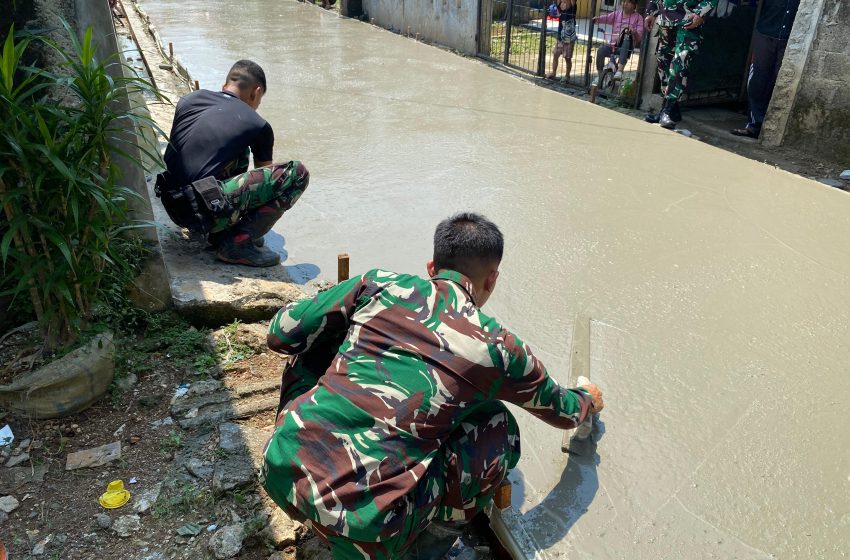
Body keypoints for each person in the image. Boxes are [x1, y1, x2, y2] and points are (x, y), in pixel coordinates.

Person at [261, 212, 605, 559]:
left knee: (310, 344)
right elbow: (564, 412)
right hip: (368, 534)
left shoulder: (379, 283)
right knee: (497, 426)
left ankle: (304, 457)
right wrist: (587, 398)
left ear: (430, 266)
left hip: (279, 472)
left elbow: (279, 333)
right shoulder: (498, 347)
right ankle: (426, 547)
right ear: (492, 280)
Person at [159, 60, 310, 267]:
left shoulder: (190, 100)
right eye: (259, 99)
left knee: (237, 152)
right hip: (205, 213)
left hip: (173, 205)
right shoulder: (258, 124)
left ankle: (221, 231)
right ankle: (236, 244)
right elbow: (265, 179)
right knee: (297, 173)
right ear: (256, 92)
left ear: (225, 85)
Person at [643, 0, 719, 129]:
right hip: (665, 20)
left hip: (688, 20)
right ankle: (671, 109)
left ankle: (667, 111)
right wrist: (651, 10)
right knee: (663, 63)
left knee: (679, 63)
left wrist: (700, 13)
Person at [730, 0, 800, 139]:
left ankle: (772, 127)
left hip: (791, 38)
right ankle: (754, 125)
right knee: (757, 79)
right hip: (765, 33)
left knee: (780, 82)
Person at [593, 0, 644, 82]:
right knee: (601, 51)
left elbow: (639, 36)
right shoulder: (617, 14)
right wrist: (598, 19)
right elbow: (607, 18)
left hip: (626, 47)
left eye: (628, 2)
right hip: (613, 44)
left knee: (627, 36)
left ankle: (620, 70)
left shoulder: (638, 18)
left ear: (634, 5)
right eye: (623, 1)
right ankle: (600, 76)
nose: (625, 4)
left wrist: (633, 31)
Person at [546, 0, 578, 80]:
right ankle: (553, 72)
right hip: (560, 38)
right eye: (562, 2)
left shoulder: (572, 9)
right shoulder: (559, 9)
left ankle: (567, 76)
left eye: (565, 2)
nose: (562, 4)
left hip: (569, 40)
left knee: (567, 58)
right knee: (555, 55)